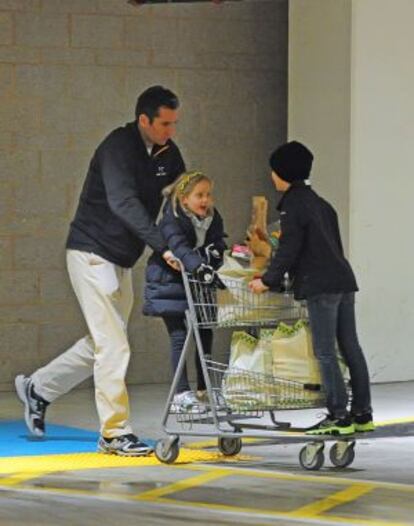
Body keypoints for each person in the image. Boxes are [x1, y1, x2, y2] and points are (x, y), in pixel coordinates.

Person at [15, 85, 186, 455]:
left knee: (103, 341)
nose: (171, 131)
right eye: (165, 124)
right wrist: (162, 246)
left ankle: (39, 387)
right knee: (113, 344)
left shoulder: (169, 154)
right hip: (91, 252)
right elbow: (123, 203)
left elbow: (180, 198)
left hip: (122, 258)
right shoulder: (117, 148)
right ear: (144, 120)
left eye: (174, 123)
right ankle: (113, 433)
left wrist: (189, 238)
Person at [249, 141, 374, 436]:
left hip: (321, 286)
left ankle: (338, 416)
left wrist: (266, 281)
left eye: (273, 171)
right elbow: (331, 247)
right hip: (343, 280)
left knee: (325, 351)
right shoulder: (321, 204)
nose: (271, 176)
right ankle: (362, 413)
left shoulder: (294, 206)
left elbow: (289, 249)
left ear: (282, 174)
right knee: (351, 346)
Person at [143, 171, 226, 411]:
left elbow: (218, 242)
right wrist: (199, 267)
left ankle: (205, 387)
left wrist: (216, 256)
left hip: (197, 283)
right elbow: (179, 247)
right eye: (199, 195)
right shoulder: (172, 219)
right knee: (179, 335)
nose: (205, 200)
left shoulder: (212, 217)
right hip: (169, 282)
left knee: (204, 332)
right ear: (184, 198)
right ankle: (181, 393)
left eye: (208, 195)